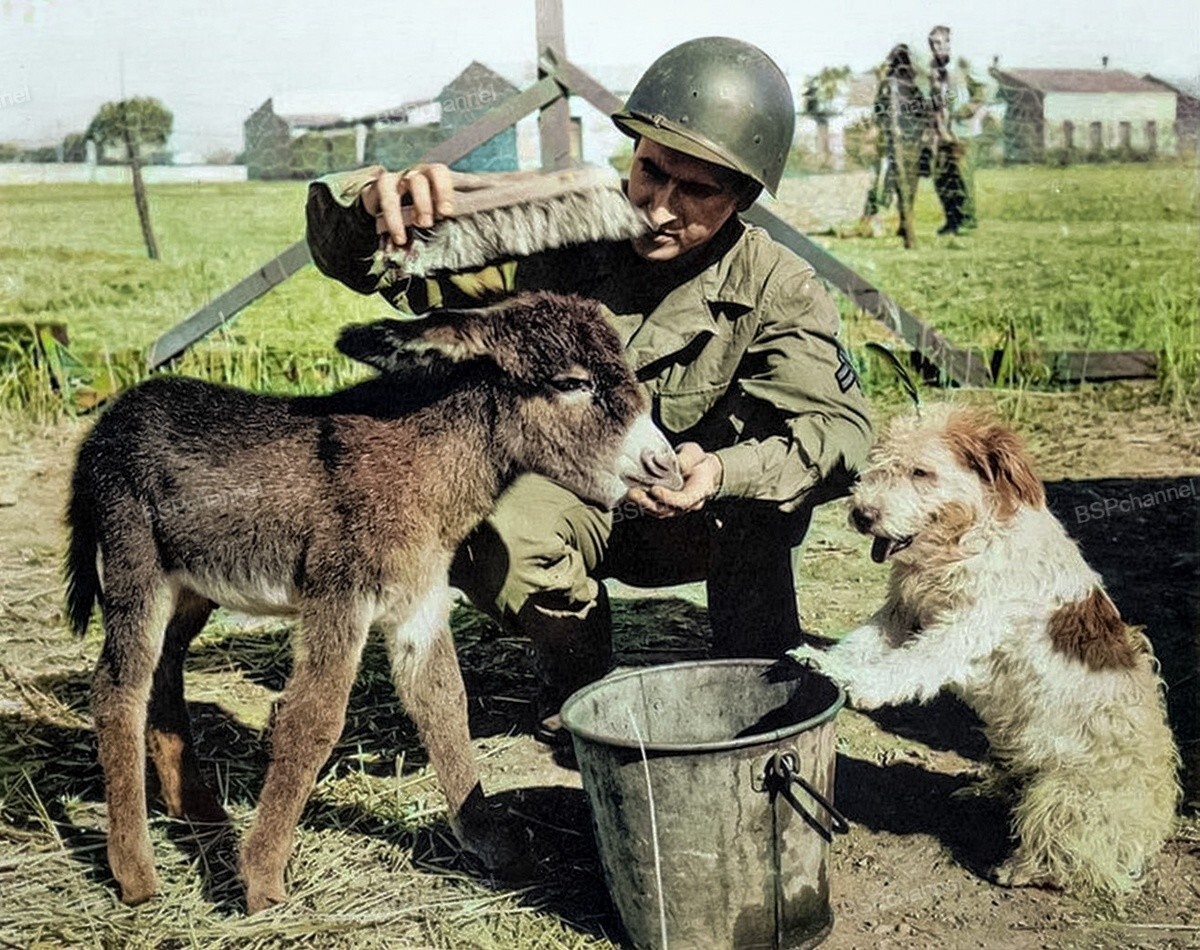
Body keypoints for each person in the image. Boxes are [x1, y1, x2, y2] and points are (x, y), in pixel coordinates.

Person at [306, 36, 874, 744]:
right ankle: (578, 663)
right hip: (580, 502)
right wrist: (372, 206)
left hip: (707, 527)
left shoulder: (778, 287)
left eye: (697, 190)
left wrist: (723, 472)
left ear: (744, 199)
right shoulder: (564, 228)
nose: (659, 208)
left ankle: (754, 646)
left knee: (763, 691)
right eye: (651, 171)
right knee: (486, 516)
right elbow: (381, 267)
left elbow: (842, 435)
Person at [860, 44, 928, 241]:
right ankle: (893, 223)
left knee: (910, 182)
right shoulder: (888, 85)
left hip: (912, 140)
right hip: (892, 142)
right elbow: (880, 110)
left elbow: (925, 110)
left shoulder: (916, 85)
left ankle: (905, 222)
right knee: (891, 182)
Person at [927, 25, 978, 234]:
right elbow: (936, 102)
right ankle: (952, 220)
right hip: (943, 133)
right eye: (934, 44)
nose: (938, 48)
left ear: (949, 42)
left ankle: (968, 221)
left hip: (964, 132)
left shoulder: (963, 65)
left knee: (962, 178)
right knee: (942, 178)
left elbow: (988, 87)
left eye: (941, 42)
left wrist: (970, 109)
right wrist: (939, 127)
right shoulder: (933, 70)